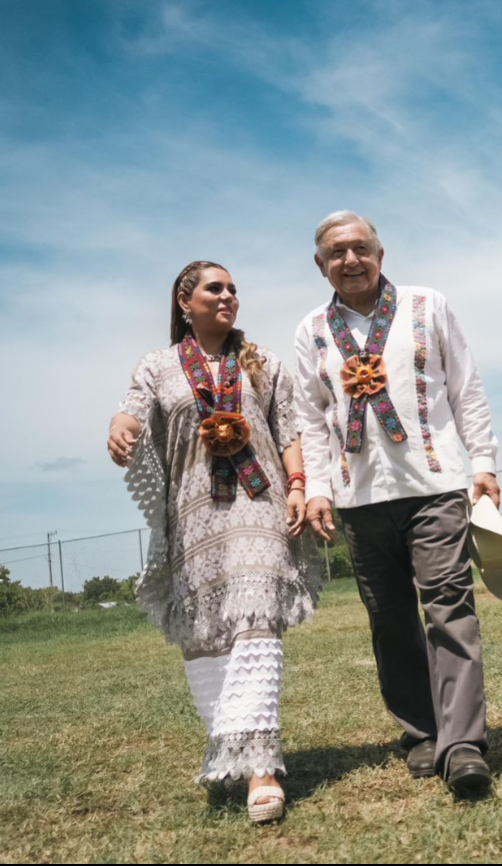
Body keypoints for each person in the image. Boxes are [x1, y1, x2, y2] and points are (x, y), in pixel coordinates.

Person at [294, 211, 502, 795]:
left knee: (447, 606)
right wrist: (316, 490)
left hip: (434, 485)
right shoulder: (311, 329)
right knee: (388, 619)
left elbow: (466, 385)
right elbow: (311, 420)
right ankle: (421, 731)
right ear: (320, 265)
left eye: (360, 248)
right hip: (358, 496)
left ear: (381, 255)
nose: (350, 260)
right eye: (337, 253)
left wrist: (482, 462)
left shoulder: (426, 305)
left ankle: (462, 744)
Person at [108, 261, 320, 823]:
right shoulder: (157, 367)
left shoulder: (262, 363)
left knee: (255, 625)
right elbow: (131, 411)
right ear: (185, 302)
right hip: (194, 519)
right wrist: (121, 427)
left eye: (233, 289)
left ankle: (262, 769)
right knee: (206, 635)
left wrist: (298, 485)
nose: (228, 296)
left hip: (259, 509)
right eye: (214, 288)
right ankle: (231, 746)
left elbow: (290, 430)